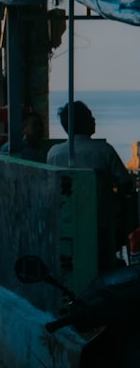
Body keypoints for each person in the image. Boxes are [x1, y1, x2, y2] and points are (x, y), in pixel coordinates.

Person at [47, 100, 137, 270]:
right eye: (90, 116)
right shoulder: (104, 150)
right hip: (101, 221)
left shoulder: (54, 153)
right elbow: (126, 184)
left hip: (65, 218)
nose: (95, 119)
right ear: (84, 122)